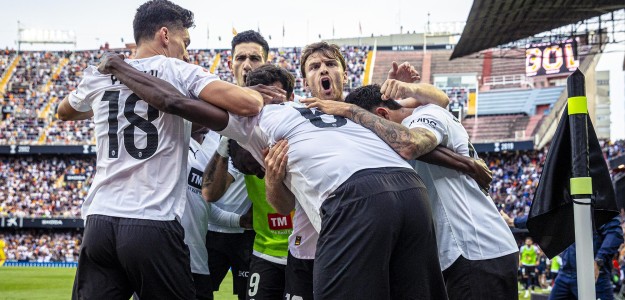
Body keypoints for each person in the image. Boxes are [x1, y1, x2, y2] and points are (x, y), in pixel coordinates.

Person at [97, 41, 449, 299]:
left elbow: (175, 101)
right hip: (410, 191)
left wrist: (120, 67)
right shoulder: (349, 111)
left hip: (354, 200)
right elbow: (420, 127)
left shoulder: (254, 113)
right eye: (315, 66)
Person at [56, 1, 265, 298]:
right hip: (151, 220)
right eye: (185, 42)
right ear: (165, 36)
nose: (185, 51)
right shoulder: (177, 70)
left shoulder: (98, 76)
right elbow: (249, 104)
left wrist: (103, 101)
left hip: (99, 221)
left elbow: (64, 111)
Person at [200, 31, 289, 300]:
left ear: (267, 63)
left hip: (256, 235)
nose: (247, 64)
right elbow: (211, 193)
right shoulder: (213, 111)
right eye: (241, 58)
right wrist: (225, 143)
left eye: (255, 58)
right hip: (213, 231)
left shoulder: (280, 113)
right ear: (230, 64)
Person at [182, 127, 252, 300]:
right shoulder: (180, 144)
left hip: (245, 235)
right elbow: (207, 196)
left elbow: (204, 201)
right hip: (208, 235)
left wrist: (239, 221)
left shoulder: (229, 136)